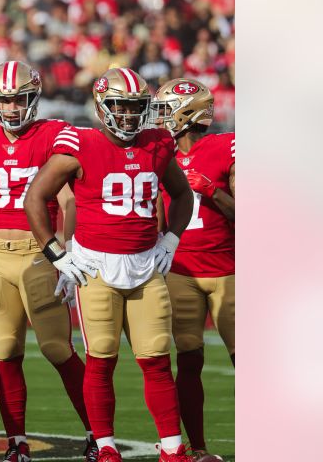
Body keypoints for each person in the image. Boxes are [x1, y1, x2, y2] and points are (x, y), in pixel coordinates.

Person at [23, 67, 197, 462]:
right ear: (102, 107)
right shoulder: (80, 143)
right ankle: (104, 446)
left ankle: (172, 448)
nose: (129, 115)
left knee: (155, 359)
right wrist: (56, 253)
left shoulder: (157, 142)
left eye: (137, 106)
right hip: (95, 267)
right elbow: (35, 197)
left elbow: (182, 195)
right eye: (120, 105)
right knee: (101, 358)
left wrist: (171, 239)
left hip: (146, 264)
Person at [0, 61, 97, 462]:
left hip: (38, 253)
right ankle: (16, 442)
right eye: (4, 100)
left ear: (33, 98)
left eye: (18, 99)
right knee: (6, 349)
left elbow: (68, 199)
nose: (10, 108)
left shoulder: (54, 134)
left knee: (58, 348)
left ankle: (98, 434)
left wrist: (64, 249)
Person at [151, 79, 233, 462]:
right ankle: (198, 448)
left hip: (229, 270)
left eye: (167, 109)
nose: (161, 117)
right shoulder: (160, 152)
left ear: (188, 113)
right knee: (188, 358)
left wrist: (213, 191)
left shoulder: (224, 147)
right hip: (181, 270)